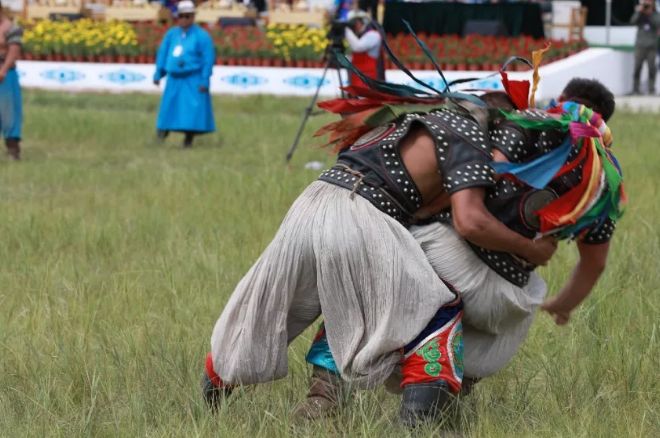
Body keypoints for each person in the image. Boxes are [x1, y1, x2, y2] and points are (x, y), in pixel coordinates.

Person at [199, 76, 597, 425]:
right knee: (434, 305)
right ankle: (420, 424)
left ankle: (211, 407)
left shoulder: (407, 124)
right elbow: (471, 220)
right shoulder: (469, 135)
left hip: (311, 205)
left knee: (265, 311)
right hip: (363, 216)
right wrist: (530, 248)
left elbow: (422, 193)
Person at [153, 0, 216, 148]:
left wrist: (205, 79)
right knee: (168, 109)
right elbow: (163, 54)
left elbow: (208, 59)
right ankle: (160, 138)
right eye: (181, 16)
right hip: (174, 79)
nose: (184, 19)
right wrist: (158, 72)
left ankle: (188, 140)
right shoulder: (171, 35)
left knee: (191, 111)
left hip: (192, 79)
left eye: (188, 16)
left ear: (193, 17)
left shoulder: (202, 36)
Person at [0, 2, 22, 161]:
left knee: (9, 112)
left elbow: (13, 52)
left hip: (6, 73)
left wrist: (3, 71)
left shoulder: (11, 28)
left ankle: (13, 150)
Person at [344, 10, 383, 87]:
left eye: (356, 22)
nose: (354, 25)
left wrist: (346, 31)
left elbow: (358, 47)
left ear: (363, 22)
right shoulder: (357, 37)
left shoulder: (373, 35)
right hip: (356, 77)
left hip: (367, 78)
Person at [631, 0, 660, 94]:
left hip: (652, 46)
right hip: (640, 45)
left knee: (652, 68)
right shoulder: (640, 13)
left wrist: (650, 13)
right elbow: (632, 21)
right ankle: (636, 89)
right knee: (637, 68)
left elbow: (657, 23)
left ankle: (651, 89)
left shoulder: (656, 14)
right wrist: (640, 11)